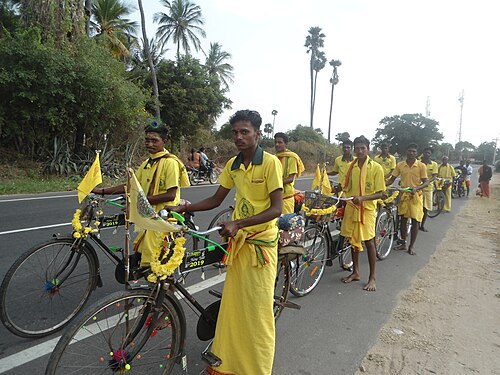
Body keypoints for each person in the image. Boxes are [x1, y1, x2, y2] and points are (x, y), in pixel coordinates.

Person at [168, 110, 283, 375]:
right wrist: (186, 207)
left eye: (245, 131)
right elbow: (216, 200)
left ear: (258, 133)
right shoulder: (233, 164)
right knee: (234, 306)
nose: (239, 137)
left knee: (257, 311)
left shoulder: (270, 163)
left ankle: (256, 368)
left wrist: (239, 223)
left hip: (261, 247)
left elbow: (277, 209)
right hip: (239, 242)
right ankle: (230, 362)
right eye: (235, 132)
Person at [92, 120, 190, 266]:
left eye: (154, 141)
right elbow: (130, 185)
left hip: (162, 219)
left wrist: (137, 203)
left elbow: (170, 195)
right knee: (143, 255)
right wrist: (102, 191)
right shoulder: (147, 163)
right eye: (147, 140)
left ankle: (165, 286)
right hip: (147, 217)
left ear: (164, 141)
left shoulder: (170, 163)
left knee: (155, 263)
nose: (150, 144)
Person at [339, 135, 385, 291]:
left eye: (362, 148)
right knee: (353, 241)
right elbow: (347, 186)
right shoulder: (351, 166)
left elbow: (381, 193)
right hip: (352, 208)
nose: (359, 151)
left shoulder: (376, 168)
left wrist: (363, 198)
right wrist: (337, 189)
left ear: (368, 148)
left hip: (367, 210)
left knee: (369, 242)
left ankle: (372, 278)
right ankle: (356, 272)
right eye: (357, 148)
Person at [386, 143, 428, 255]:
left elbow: (426, 182)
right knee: (403, 220)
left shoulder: (421, 166)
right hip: (404, 195)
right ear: (406, 152)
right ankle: (403, 243)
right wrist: (382, 185)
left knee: (415, 221)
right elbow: (391, 179)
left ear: (417, 153)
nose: (411, 153)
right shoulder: (400, 165)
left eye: (414, 151)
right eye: (409, 151)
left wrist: (417, 188)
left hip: (416, 196)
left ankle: (411, 246)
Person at [274, 132, 305, 214]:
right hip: (274, 197)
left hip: (286, 198)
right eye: (276, 142)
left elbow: (290, 179)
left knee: (284, 224)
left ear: (286, 144)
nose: (277, 144)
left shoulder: (291, 157)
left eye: (280, 142)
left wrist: (273, 184)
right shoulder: (274, 157)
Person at [419, 147, 438, 232]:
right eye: (425, 152)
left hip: (428, 189)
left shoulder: (434, 164)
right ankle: (415, 224)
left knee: (425, 208)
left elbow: (434, 177)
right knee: (416, 206)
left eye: (429, 153)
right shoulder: (418, 163)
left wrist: (426, 182)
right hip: (417, 187)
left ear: (431, 154)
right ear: (423, 153)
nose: (427, 154)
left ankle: (422, 225)